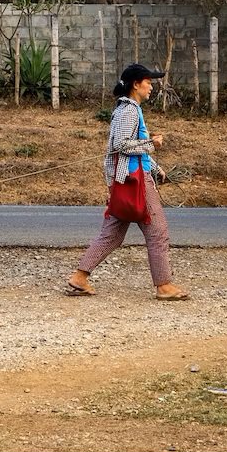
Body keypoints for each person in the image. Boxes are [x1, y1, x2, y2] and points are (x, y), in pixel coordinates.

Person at [66, 63, 190, 301]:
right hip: (134, 182)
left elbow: (134, 151)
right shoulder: (129, 111)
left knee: (112, 235)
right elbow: (120, 145)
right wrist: (152, 144)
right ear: (136, 84)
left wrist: (156, 168)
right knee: (158, 231)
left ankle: (79, 278)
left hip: (130, 178)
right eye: (148, 82)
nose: (151, 87)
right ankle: (164, 285)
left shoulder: (131, 110)